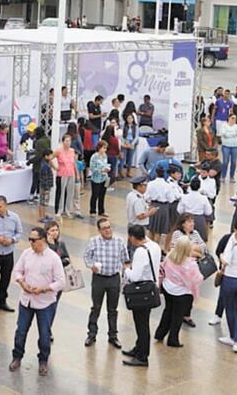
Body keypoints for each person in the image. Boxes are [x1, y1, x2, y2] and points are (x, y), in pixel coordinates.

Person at [9, 227, 65, 376]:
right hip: (26, 301)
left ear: (43, 240)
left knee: (45, 334)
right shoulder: (27, 253)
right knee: (21, 331)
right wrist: (22, 284)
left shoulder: (53, 258)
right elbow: (18, 270)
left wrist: (44, 289)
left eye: (34, 240)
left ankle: (43, 360)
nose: (31, 243)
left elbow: (61, 282)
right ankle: (17, 356)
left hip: (45, 303)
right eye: (30, 240)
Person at [82, 218, 129, 348]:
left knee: (113, 309)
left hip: (114, 278)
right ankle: (91, 334)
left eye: (109, 227)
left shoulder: (119, 242)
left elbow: (126, 260)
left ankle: (113, 336)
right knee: (96, 307)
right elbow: (87, 257)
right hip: (99, 279)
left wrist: (126, 277)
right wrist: (91, 265)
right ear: (99, 230)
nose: (108, 230)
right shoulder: (93, 241)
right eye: (104, 228)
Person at [121, 224, 162, 366]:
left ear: (132, 237)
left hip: (141, 291)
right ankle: (138, 348)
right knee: (144, 321)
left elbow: (135, 276)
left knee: (142, 325)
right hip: (151, 288)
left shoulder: (140, 252)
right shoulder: (154, 246)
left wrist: (126, 269)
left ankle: (143, 356)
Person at [154, 237, 203, 348]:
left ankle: (160, 334)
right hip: (182, 294)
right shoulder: (190, 264)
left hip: (168, 288)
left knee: (168, 311)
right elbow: (197, 279)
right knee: (177, 316)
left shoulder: (170, 256)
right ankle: (173, 339)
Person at [218, 222, 237, 353]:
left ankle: (231, 335)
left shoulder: (233, 241)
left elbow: (226, 260)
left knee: (229, 308)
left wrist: (221, 256)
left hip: (230, 279)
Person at [145, 167, 181, 248]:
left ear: (156, 173)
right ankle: (156, 248)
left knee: (151, 229)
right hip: (163, 207)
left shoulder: (150, 184)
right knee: (159, 231)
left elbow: (146, 196)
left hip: (153, 205)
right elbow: (171, 199)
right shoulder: (167, 185)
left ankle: (149, 247)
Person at [54, 133, 78, 218]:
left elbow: (74, 163)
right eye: (66, 141)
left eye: (69, 141)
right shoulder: (59, 150)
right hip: (62, 174)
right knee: (61, 192)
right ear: (63, 141)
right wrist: (55, 167)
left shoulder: (72, 151)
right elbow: (50, 158)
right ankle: (59, 210)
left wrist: (77, 174)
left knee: (70, 192)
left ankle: (67, 210)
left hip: (71, 173)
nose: (68, 142)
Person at [88, 140, 111, 217]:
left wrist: (107, 169)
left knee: (102, 195)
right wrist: (100, 170)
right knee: (95, 195)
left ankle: (101, 211)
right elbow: (92, 168)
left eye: (106, 148)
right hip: (96, 179)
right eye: (104, 148)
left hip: (104, 178)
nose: (105, 150)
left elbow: (105, 164)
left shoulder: (105, 155)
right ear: (99, 148)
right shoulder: (94, 156)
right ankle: (92, 211)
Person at [220, 113, 237, 182]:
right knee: (225, 161)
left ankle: (232, 176)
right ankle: (223, 176)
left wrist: (228, 134)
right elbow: (223, 134)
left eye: (235, 118)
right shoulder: (224, 125)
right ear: (229, 118)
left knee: (234, 162)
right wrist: (232, 134)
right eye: (232, 118)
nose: (233, 120)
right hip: (226, 146)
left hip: (235, 146)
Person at [37, 149, 55, 223]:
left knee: (44, 202)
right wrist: (47, 188)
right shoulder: (44, 165)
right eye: (50, 155)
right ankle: (41, 217)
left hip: (46, 186)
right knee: (42, 202)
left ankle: (44, 215)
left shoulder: (46, 163)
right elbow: (44, 177)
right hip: (45, 187)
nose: (51, 156)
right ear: (46, 156)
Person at [121, 113, 139, 178]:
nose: (129, 119)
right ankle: (121, 171)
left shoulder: (136, 126)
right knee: (122, 158)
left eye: (131, 118)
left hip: (132, 142)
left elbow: (136, 136)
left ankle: (129, 171)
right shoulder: (123, 125)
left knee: (130, 158)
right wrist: (125, 142)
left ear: (133, 119)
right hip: (125, 142)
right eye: (128, 118)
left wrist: (132, 144)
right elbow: (121, 135)